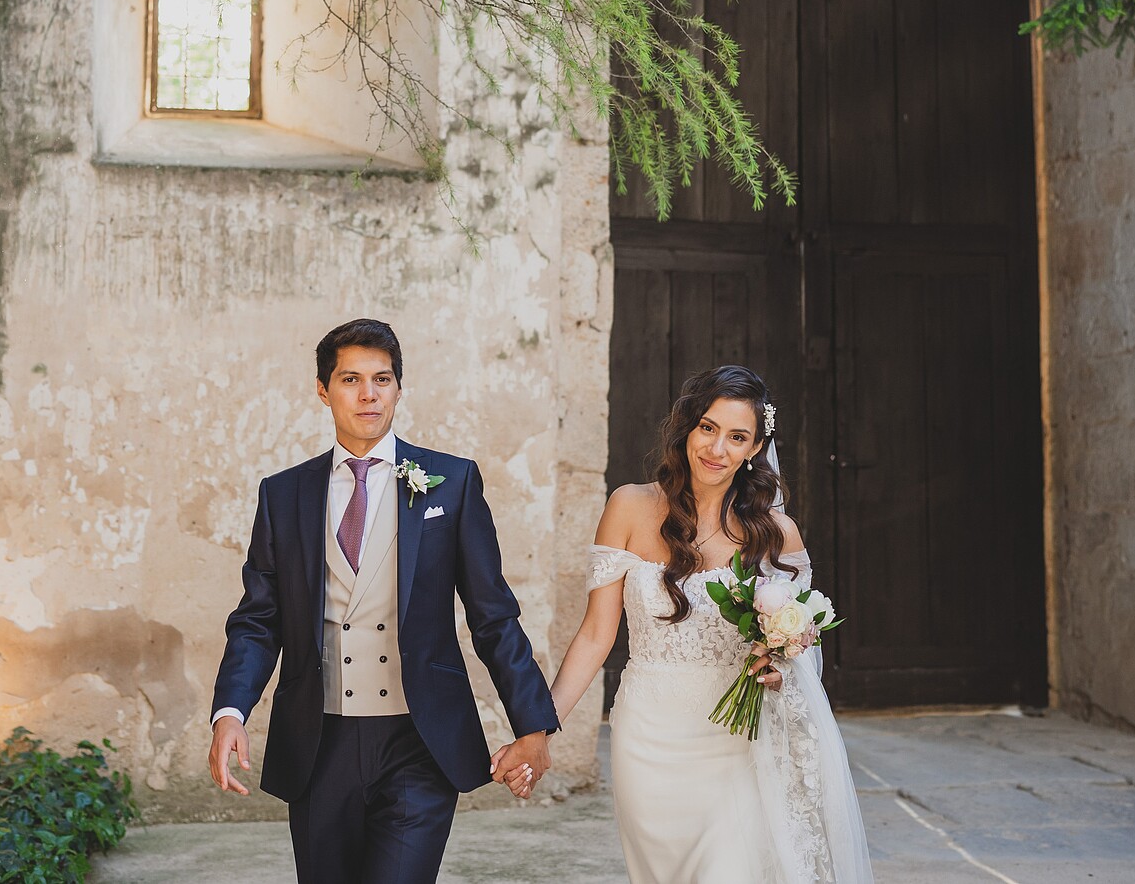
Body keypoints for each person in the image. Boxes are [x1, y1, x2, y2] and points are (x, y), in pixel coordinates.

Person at [208, 318, 559, 884]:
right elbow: (257, 620)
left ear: (399, 387)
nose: (368, 394)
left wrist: (534, 726)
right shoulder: (284, 494)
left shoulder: (453, 481)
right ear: (323, 390)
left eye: (383, 379)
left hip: (418, 741)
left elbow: (493, 616)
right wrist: (231, 711)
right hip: (320, 741)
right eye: (351, 379)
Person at [497, 365, 872, 883]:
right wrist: (539, 728)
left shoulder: (775, 533)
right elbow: (595, 635)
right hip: (648, 738)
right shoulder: (629, 506)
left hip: (737, 739)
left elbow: (801, 645)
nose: (717, 448)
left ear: (755, 448)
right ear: (687, 427)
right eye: (708, 428)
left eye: (737, 436)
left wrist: (780, 668)